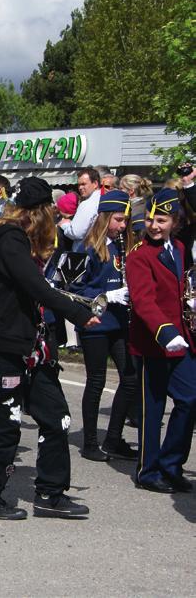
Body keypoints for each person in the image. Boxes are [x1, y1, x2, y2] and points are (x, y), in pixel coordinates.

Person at [0, 177, 97, 520]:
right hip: (5, 344)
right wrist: (78, 313)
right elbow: (34, 286)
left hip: (34, 345)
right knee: (5, 423)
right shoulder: (8, 239)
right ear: (40, 213)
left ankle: (50, 493)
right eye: (52, 215)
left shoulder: (21, 241)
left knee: (57, 418)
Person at [127, 188, 196, 494]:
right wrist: (166, 332)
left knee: (189, 400)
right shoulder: (140, 256)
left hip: (185, 341)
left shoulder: (180, 247)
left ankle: (172, 464)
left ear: (175, 222)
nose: (154, 225)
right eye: (151, 219)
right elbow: (143, 302)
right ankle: (148, 469)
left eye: (162, 220)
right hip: (154, 342)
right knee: (152, 410)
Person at [70, 191, 139, 462]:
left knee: (130, 379)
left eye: (125, 221)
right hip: (96, 322)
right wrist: (106, 295)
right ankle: (89, 443)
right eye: (119, 220)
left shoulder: (123, 245)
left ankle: (113, 439)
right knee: (96, 381)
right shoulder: (88, 248)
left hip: (119, 321)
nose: (123, 226)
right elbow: (75, 289)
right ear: (106, 218)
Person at [59, 167, 102, 242]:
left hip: (86, 250)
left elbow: (76, 233)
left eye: (83, 184)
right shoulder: (102, 198)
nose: (80, 188)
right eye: (78, 185)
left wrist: (65, 225)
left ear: (95, 184)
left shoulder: (87, 204)